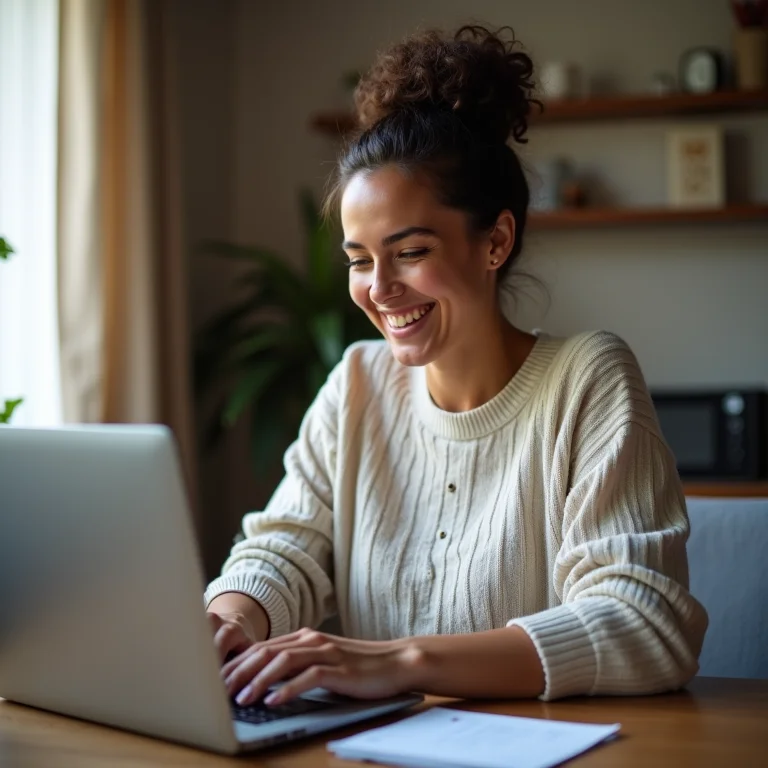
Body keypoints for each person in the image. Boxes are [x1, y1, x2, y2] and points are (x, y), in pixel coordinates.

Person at [205, 25, 708, 709]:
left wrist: (400, 662)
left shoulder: (587, 379)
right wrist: (232, 617)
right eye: (359, 259)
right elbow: (286, 546)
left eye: (409, 252)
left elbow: (646, 624)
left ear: (495, 240)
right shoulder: (358, 381)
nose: (378, 288)